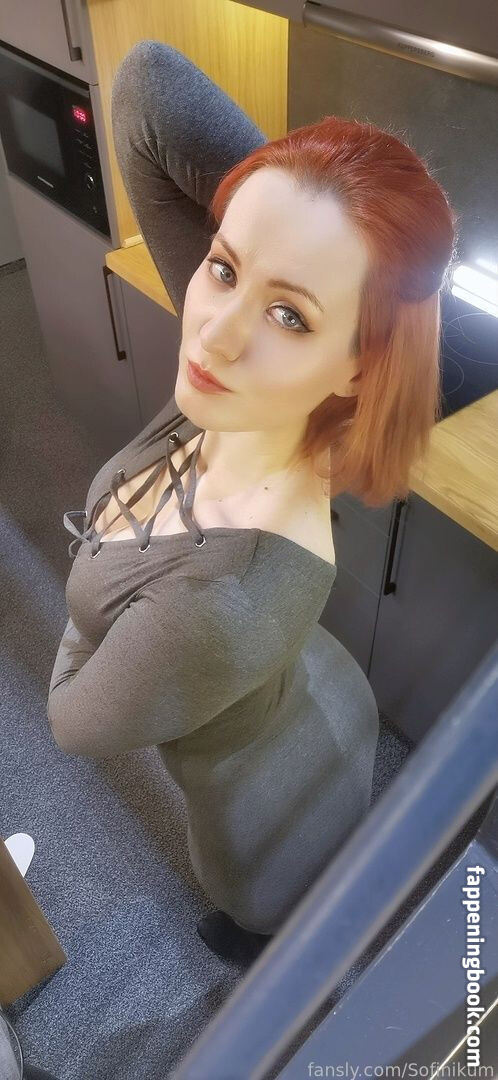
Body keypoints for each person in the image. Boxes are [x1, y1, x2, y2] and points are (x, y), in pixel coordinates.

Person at [46, 41, 456, 965]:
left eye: (291, 315)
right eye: (225, 267)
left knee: (252, 927)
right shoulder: (255, 398)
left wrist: (88, 589)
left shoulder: (214, 608)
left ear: (357, 366)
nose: (213, 335)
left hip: (259, 811)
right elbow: (149, 89)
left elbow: (70, 720)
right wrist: (307, 198)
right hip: (314, 685)